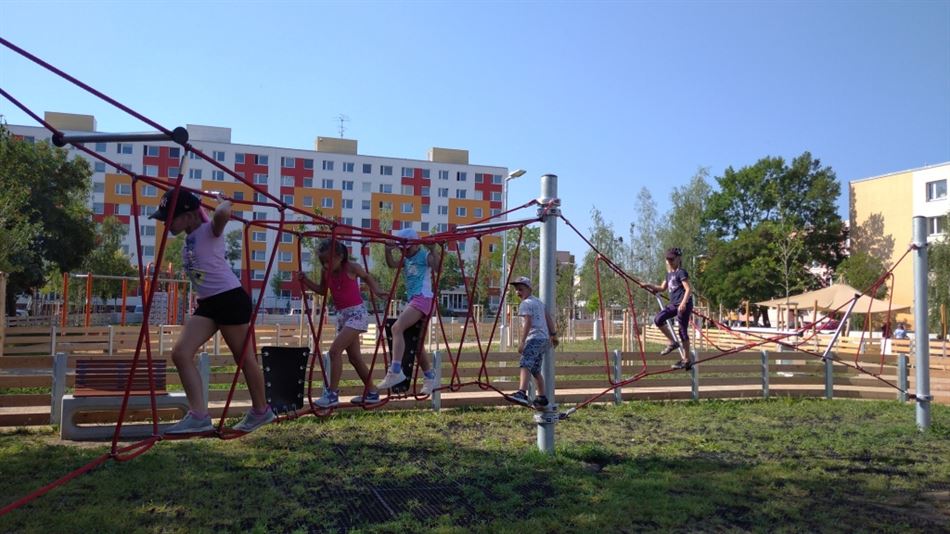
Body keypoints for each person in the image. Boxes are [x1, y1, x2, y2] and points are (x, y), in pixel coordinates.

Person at [150, 188, 274, 434]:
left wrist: (223, 200)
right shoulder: (191, 236)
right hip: (208, 303)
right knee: (181, 353)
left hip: (229, 298)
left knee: (244, 358)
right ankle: (199, 416)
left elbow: (223, 214)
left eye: (169, 219)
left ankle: (262, 412)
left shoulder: (210, 230)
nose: (165, 224)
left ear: (188, 215)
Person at [297, 239, 388, 407]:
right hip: (342, 317)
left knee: (334, 352)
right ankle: (372, 392)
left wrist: (377, 290)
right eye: (322, 262)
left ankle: (332, 394)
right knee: (354, 358)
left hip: (357, 314)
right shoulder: (326, 272)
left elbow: (367, 277)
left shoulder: (352, 267)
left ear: (340, 257)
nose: (326, 265)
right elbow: (322, 291)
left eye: (328, 261)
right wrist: (305, 280)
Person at [376, 228, 441, 395]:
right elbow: (391, 264)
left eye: (405, 248)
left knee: (396, 328)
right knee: (416, 344)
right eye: (400, 249)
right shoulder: (406, 259)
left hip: (423, 298)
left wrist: (434, 250)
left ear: (415, 244)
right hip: (414, 300)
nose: (403, 251)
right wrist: (387, 250)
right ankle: (430, 377)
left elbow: (437, 267)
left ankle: (395, 370)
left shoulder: (423, 256)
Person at [507, 276, 558, 408]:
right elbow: (548, 318)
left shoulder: (525, 304)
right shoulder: (539, 302)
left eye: (521, 289)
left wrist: (522, 341)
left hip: (534, 338)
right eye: (516, 290)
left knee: (525, 363)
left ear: (529, 289)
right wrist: (553, 334)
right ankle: (542, 397)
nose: (518, 292)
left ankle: (521, 393)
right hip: (544, 339)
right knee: (535, 369)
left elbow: (528, 322)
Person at [647, 247, 694, 370]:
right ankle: (673, 342)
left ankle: (686, 360)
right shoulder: (669, 274)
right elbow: (662, 288)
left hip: (684, 304)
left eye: (672, 259)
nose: (670, 262)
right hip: (674, 304)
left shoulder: (681, 272)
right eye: (668, 259)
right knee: (658, 319)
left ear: (678, 259)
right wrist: (648, 285)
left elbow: (688, 289)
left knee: (682, 330)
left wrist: (683, 303)